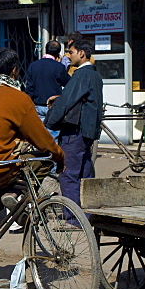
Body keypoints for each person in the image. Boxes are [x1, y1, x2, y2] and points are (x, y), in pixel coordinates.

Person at [0, 48, 65, 235]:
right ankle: (16, 195)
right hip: (0, 169)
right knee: (44, 158)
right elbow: (43, 140)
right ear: (14, 71)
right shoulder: (19, 98)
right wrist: (60, 157)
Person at [46, 39, 103, 210]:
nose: (67, 56)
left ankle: (72, 218)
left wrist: (49, 122)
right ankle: (85, 214)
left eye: (71, 52)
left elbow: (67, 101)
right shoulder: (94, 75)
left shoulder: (82, 74)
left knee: (68, 174)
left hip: (74, 131)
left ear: (81, 53)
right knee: (84, 173)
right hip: (86, 132)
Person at [24, 40, 70, 132]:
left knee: (39, 134)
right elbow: (68, 83)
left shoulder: (33, 66)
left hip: (37, 105)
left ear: (46, 50)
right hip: (53, 106)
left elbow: (29, 88)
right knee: (54, 135)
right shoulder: (59, 67)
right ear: (58, 53)